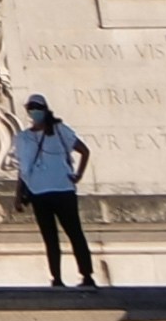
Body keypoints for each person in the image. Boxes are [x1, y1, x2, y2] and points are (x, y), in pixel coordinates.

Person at [13, 94, 101, 288]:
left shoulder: (61, 131)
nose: (34, 111)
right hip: (39, 191)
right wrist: (18, 195)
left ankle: (87, 276)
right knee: (50, 238)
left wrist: (78, 175)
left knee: (74, 233)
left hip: (62, 189)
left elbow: (84, 150)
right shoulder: (24, 138)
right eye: (31, 108)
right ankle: (57, 278)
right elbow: (23, 169)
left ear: (44, 109)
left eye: (37, 107)